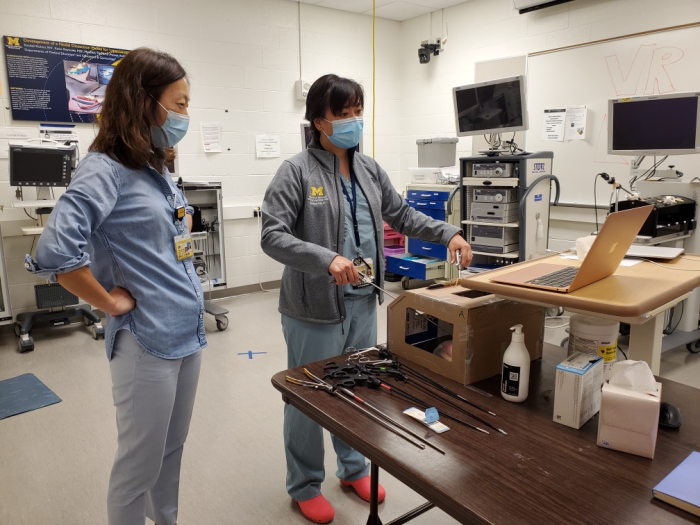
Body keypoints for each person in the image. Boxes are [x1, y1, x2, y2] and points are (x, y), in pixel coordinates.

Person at [261, 74, 472, 524]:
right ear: (320, 120)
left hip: (362, 303)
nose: (355, 121)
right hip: (314, 309)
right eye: (344, 113)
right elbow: (271, 236)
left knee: (358, 392)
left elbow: (402, 213)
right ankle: (303, 485)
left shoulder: (370, 169)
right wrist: (326, 259)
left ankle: (353, 468)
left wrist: (448, 231)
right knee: (310, 398)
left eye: (359, 111)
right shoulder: (296, 171)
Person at [25, 48, 205, 525]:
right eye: (180, 104)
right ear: (144, 102)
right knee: (138, 464)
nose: (186, 115)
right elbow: (54, 253)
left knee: (171, 451)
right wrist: (106, 301)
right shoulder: (103, 168)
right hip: (145, 341)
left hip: (187, 334)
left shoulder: (155, 168)